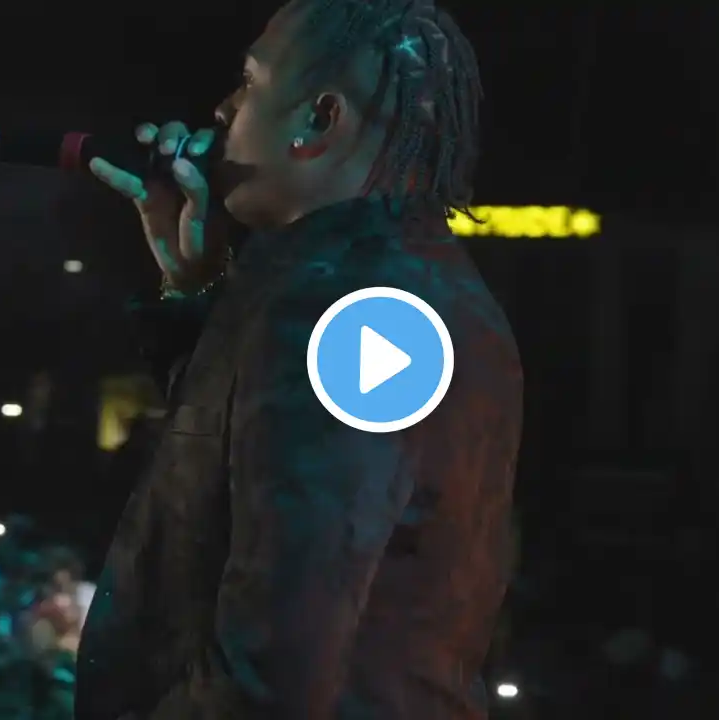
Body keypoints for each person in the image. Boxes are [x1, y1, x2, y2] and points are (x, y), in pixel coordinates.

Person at [75, 0, 523, 717]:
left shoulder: (348, 305)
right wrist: (194, 290)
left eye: (249, 83)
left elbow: (273, 672)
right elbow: (238, 486)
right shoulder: (379, 283)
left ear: (321, 119)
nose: (222, 110)